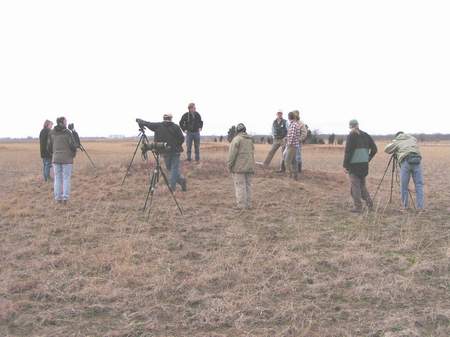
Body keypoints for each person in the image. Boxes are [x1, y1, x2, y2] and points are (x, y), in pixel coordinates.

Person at [136, 114, 187, 192]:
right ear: (171, 118)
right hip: (172, 152)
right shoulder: (176, 127)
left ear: (164, 118)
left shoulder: (158, 126)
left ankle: (171, 188)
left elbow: (149, 124)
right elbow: (182, 139)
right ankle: (181, 180)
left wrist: (141, 122)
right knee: (172, 169)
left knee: (173, 169)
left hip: (169, 152)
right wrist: (176, 145)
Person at [343, 119, 377, 213]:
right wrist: (368, 158)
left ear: (350, 126)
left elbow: (348, 152)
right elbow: (374, 149)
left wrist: (345, 166)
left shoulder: (351, 136)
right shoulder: (366, 135)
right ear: (358, 125)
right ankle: (370, 204)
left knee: (355, 187)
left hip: (354, 166)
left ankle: (358, 208)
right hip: (364, 165)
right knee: (362, 186)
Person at [384, 132, 424, 211]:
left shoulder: (397, 141)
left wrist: (395, 144)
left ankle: (405, 207)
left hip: (406, 161)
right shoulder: (412, 138)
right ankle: (420, 208)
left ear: (397, 136)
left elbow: (386, 149)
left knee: (404, 186)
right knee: (419, 185)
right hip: (417, 160)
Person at [48, 117, 77, 204]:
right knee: (66, 178)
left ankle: (57, 198)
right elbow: (73, 145)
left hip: (56, 158)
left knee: (57, 178)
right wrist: (73, 153)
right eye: (65, 121)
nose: (66, 123)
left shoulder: (51, 132)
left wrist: (54, 153)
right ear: (62, 122)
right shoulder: (68, 132)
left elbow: (49, 147)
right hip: (67, 159)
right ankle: (65, 198)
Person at [227, 123, 255, 210]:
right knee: (248, 186)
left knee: (240, 186)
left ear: (237, 131)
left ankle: (241, 205)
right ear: (245, 130)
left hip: (239, 168)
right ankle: (249, 204)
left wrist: (229, 166)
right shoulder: (250, 140)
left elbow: (232, 155)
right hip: (250, 167)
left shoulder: (236, 139)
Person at [283, 111, 307, 180]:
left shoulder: (293, 125)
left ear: (289, 117)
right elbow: (290, 134)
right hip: (294, 145)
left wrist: (289, 143)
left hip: (292, 145)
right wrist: (286, 138)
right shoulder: (294, 124)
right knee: (294, 161)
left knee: (287, 161)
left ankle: (289, 176)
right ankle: (295, 176)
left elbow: (293, 136)